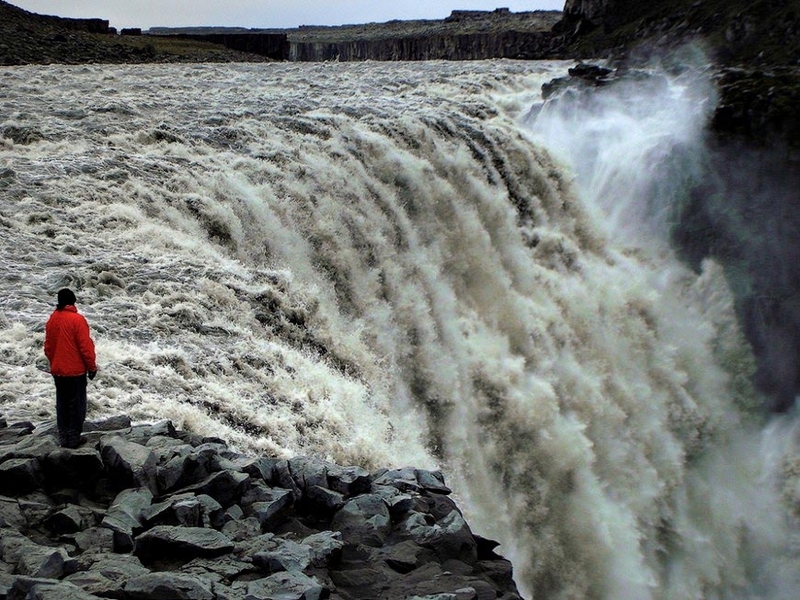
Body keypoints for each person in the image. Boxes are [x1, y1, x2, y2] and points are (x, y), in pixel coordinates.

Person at [44, 288, 98, 448]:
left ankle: (63, 438)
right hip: (75, 371)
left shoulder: (52, 319)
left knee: (62, 404)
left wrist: (55, 362)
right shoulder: (77, 320)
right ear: (73, 301)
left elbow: (48, 347)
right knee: (77, 406)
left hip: (58, 371)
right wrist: (92, 367)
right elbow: (85, 347)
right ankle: (74, 439)